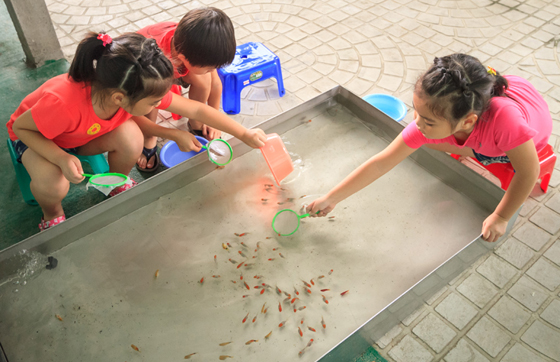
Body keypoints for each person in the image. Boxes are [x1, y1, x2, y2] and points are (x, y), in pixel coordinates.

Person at [7, 32, 265, 231]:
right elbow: (22, 128)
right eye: (154, 103)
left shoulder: (132, 89)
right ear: (120, 99)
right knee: (54, 184)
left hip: (81, 135)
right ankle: (51, 214)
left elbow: (197, 110)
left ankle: (114, 183)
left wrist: (244, 134)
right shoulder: (63, 103)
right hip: (39, 138)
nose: (160, 105)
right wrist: (60, 158)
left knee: (131, 138)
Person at [307, 53, 552, 243]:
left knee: (490, 154)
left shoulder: (506, 121)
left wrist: (501, 216)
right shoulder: (437, 120)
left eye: (428, 121)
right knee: (420, 141)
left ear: (467, 121)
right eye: (417, 112)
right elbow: (381, 162)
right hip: (482, 125)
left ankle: (480, 151)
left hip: (533, 129)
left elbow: (528, 172)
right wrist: (331, 198)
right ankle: (469, 146)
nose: (417, 124)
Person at [136, 7, 236, 172]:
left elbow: (216, 83)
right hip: (144, 70)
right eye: (209, 68)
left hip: (175, 56)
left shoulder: (197, 46)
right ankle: (149, 137)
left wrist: (214, 120)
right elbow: (145, 102)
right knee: (156, 95)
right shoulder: (154, 61)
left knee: (205, 80)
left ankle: (196, 122)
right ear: (183, 60)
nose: (212, 72)